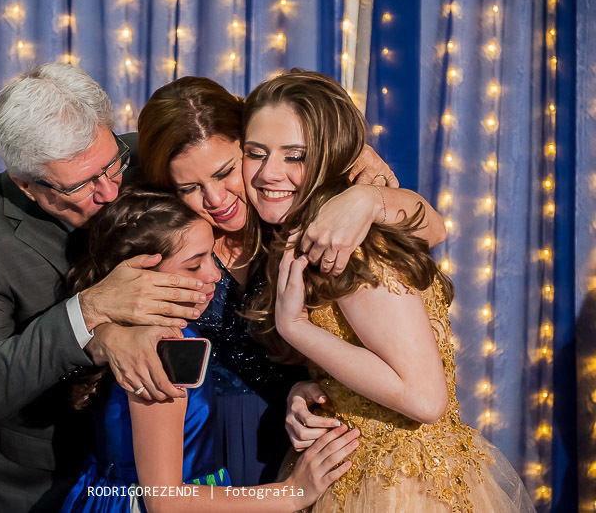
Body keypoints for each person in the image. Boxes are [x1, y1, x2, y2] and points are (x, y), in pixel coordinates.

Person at [243, 69, 535, 512]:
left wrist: (296, 327)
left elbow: (424, 399)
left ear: (328, 157)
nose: (268, 173)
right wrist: (313, 387)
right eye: (255, 153)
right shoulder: (306, 231)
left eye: (295, 156)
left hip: (403, 487)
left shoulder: (353, 248)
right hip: (354, 473)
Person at [136, 76, 447, 486]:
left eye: (227, 171)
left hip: (310, 444)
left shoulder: (297, 214)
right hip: (207, 439)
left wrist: (368, 199)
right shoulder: (171, 235)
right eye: (190, 188)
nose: (215, 199)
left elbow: (434, 228)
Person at [0, 63, 212, 511]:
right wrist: (90, 311)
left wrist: (368, 184)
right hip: (42, 483)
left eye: (111, 165)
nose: (109, 191)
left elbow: (257, 137)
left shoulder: (143, 156)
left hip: (171, 462)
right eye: (82, 184)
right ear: (28, 185)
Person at [61, 186, 361, 512]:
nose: (214, 274)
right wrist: (291, 492)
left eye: (209, 255)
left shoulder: (127, 329)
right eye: (194, 266)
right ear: (141, 274)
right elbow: (166, 501)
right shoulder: (164, 349)